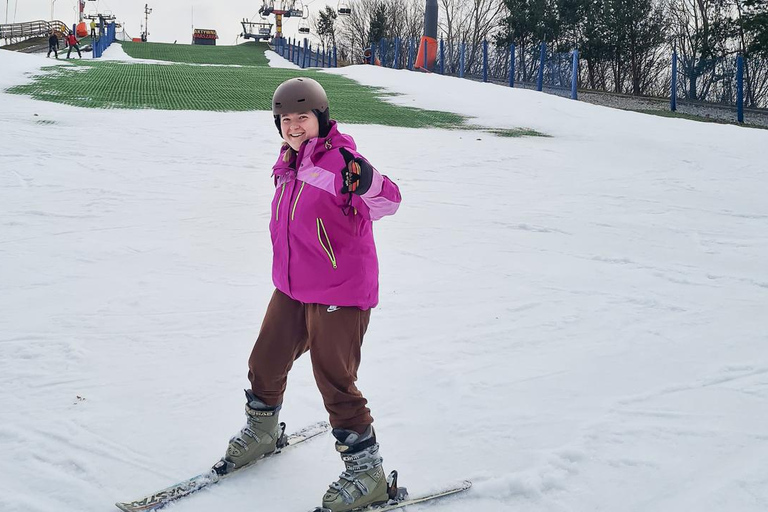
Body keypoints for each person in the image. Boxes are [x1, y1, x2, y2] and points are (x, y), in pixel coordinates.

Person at [218, 77, 401, 512]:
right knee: (264, 362)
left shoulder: (342, 161)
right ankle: (263, 432)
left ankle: (367, 472)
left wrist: (368, 180)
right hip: (293, 287)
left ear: (320, 118)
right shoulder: (288, 164)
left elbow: (388, 201)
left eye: (303, 118)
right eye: (285, 119)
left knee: (334, 378)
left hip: (341, 289)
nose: (294, 126)